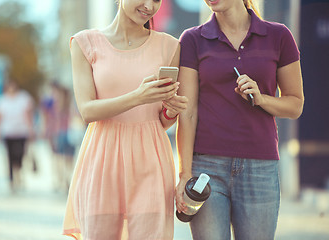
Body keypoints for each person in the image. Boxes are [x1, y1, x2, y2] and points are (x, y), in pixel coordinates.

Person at [175, 0, 304, 240]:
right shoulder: (192, 39)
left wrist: (262, 99)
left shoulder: (278, 36)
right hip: (206, 169)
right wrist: (184, 173)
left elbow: (295, 104)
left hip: (260, 167)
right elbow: (188, 111)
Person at [62, 0, 188, 239]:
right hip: (102, 159)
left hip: (151, 158)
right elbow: (87, 111)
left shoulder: (169, 46)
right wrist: (138, 96)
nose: (150, 6)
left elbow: (161, 121)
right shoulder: (84, 43)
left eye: (157, 0)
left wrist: (171, 110)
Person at [0, 80, 35, 192]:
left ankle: (19, 174)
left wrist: (31, 130)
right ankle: (12, 179)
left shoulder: (24, 98)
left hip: (21, 131)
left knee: (20, 154)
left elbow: (28, 114)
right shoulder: (2, 100)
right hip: (8, 132)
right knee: (9, 156)